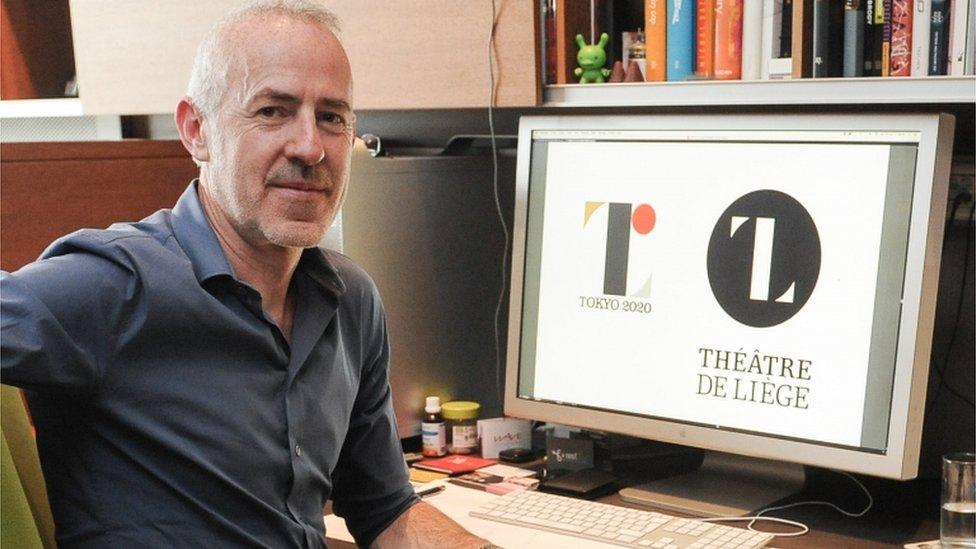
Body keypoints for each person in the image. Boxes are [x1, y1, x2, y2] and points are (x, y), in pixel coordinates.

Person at [0, 1, 497, 547]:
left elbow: (385, 510)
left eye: (331, 117)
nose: (310, 147)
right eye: (272, 112)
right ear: (197, 130)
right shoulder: (114, 285)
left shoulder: (350, 300)